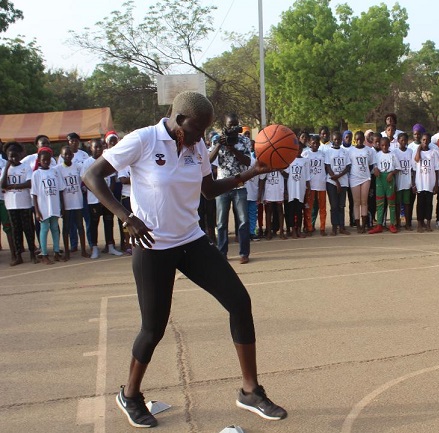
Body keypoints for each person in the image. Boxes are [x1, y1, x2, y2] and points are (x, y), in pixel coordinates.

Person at [82, 91, 286, 428]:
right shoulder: (144, 140)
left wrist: (250, 173)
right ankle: (130, 394)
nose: (200, 137)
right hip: (153, 246)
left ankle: (250, 390)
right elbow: (92, 176)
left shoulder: (197, 146)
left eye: (204, 131)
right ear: (178, 119)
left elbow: (207, 190)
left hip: (191, 239)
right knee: (153, 329)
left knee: (239, 301)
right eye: (195, 129)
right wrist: (125, 216)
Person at [210, 113, 252, 264]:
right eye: (230, 125)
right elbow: (209, 160)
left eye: (235, 125)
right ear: (225, 125)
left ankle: (244, 253)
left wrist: (233, 149)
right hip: (221, 186)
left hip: (239, 185)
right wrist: (219, 144)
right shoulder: (216, 139)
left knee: (243, 221)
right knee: (221, 223)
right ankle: (222, 254)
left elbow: (247, 161)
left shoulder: (244, 140)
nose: (233, 128)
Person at [81, 139, 123, 259]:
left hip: (107, 199)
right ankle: (94, 248)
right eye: (96, 147)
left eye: (100, 147)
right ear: (91, 148)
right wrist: (98, 192)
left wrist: (107, 193)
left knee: (109, 222)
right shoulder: (87, 162)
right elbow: (85, 182)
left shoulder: (106, 160)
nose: (98, 149)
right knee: (94, 224)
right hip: (93, 200)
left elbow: (112, 179)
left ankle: (110, 246)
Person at [1, 142, 38, 265]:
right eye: (10, 156)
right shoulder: (6, 169)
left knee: (28, 229)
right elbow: (2, 185)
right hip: (11, 205)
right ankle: (18, 256)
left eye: (15, 156)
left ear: (19, 155)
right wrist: (6, 168)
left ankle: (33, 253)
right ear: (7, 156)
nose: (13, 159)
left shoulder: (25, 167)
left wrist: (12, 186)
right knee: (16, 230)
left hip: (25, 204)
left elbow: (28, 183)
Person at [31, 147, 65, 264]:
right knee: (44, 229)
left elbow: (61, 190)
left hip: (54, 205)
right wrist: (37, 211)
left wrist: (62, 206)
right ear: (39, 161)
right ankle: (44, 254)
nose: (46, 161)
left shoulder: (55, 171)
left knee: (55, 228)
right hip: (43, 206)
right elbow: (34, 194)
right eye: (43, 159)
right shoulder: (36, 174)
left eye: (48, 159)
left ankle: (56, 252)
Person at [59, 145, 89, 260]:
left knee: (80, 226)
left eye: (69, 154)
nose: (67, 156)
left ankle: (83, 250)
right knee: (66, 228)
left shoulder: (78, 167)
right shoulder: (58, 169)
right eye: (65, 154)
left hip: (77, 201)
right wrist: (62, 205)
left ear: (72, 155)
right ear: (61, 156)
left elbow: (84, 180)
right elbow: (60, 190)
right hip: (66, 203)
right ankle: (67, 252)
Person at [368, 136, 399, 234]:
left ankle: (392, 224)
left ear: (389, 145)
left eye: (386, 145)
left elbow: (398, 168)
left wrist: (392, 173)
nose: (384, 147)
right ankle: (379, 225)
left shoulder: (393, 155)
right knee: (380, 203)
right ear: (380, 146)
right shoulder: (377, 155)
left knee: (391, 203)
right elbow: (374, 166)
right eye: (382, 145)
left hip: (389, 178)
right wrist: (376, 169)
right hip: (380, 179)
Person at [325, 131, 352, 235]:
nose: (337, 141)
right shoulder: (328, 152)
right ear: (332, 140)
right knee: (334, 205)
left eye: (339, 139)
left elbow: (348, 166)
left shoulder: (345, 151)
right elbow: (328, 167)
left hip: (343, 181)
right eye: (335, 139)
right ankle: (334, 227)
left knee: (342, 205)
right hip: (332, 182)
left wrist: (339, 176)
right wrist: (336, 180)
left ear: (341, 140)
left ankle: (342, 227)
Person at [413, 134, 439, 232]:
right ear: (420, 140)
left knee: (429, 204)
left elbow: (437, 170)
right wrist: (419, 149)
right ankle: (419, 224)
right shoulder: (417, 152)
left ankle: (428, 224)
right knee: (420, 204)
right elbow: (415, 164)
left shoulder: (433, 153)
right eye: (423, 140)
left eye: (427, 140)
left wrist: (436, 184)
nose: (425, 141)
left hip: (430, 183)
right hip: (420, 183)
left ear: (429, 141)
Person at [348, 131, 374, 233]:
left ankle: (364, 225)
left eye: (361, 139)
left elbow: (371, 164)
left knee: (364, 202)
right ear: (355, 139)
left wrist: (366, 171)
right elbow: (349, 165)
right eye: (357, 139)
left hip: (365, 178)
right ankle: (357, 225)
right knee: (356, 202)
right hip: (354, 178)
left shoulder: (369, 151)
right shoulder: (350, 151)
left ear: (364, 139)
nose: (359, 141)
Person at [304, 135, 328, 236]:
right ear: (309, 143)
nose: (315, 145)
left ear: (319, 144)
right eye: (313, 143)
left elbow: (327, 167)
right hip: (310, 185)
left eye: (317, 143)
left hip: (321, 184)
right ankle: (309, 227)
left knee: (322, 207)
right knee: (309, 207)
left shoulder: (323, 154)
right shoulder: (306, 154)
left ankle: (322, 227)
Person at [284, 146, 310, 238]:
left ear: (302, 150)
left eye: (300, 149)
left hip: (301, 188)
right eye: (296, 149)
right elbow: (286, 173)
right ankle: (293, 230)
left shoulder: (305, 161)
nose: (298, 151)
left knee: (299, 210)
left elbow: (307, 177)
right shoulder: (290, 160)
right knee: (291, 210)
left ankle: (299, 229)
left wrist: (308, 189)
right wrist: (279, 167)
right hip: (291, 188)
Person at [394, 132, 414, 230]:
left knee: (407, 203)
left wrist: (413, 183)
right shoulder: (394, 152)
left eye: (405, 140)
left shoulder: (410, 151)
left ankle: (407, 223)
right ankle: (397, 223)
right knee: (397, 203)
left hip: (407, 182)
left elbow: (412, 168)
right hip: (398, 182)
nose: (403, 142)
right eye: (401, 140)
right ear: (398, 141)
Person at [260, 170, 287, 240]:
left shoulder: (281, 163)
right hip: (269, 190)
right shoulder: (267, 163)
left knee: (280, 210)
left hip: (279, 190)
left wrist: (280, 169)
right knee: (268, 211)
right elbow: (262, 178)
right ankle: (269, 232)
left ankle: (281, 231)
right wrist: (260, 194)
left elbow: (287, 175)